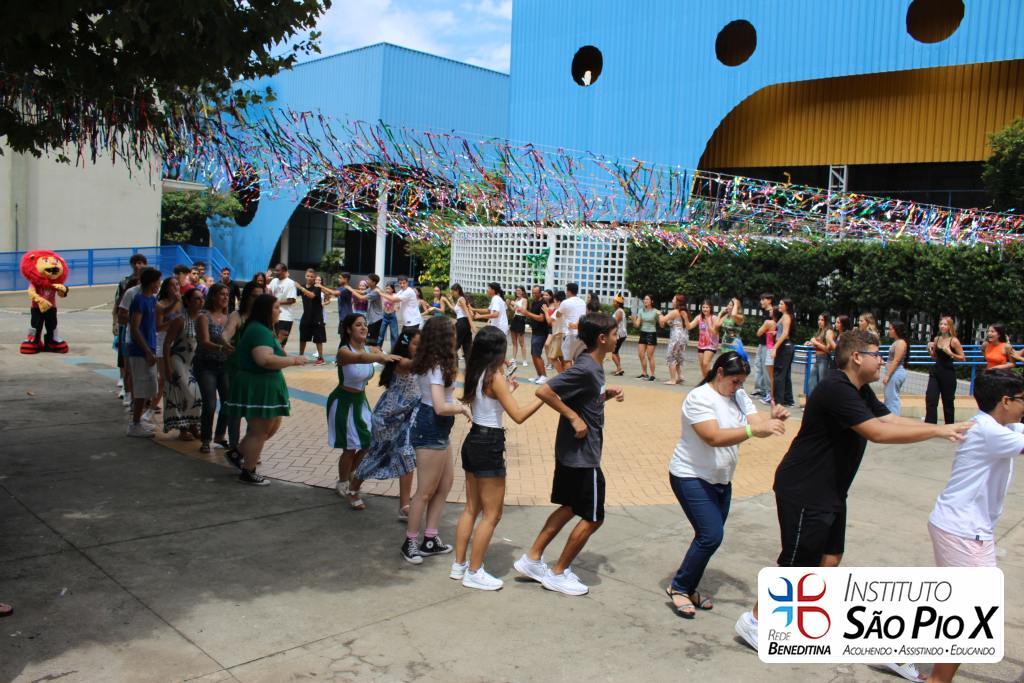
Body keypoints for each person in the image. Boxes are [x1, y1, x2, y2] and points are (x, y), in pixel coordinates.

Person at [734, 329, 971, 662]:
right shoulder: (836, 388)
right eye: (877, 354)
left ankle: (802, 616)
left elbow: (889, 419)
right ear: (857, 357)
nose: (882, 361)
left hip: (831, 488)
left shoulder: (859, 389)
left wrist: (942, 428)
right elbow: (877, 432)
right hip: (805, 486)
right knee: (797, 561)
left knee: (830, 557)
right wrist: (937, 430)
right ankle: (755, 622)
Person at [666, 352, 788, 617]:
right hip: (690, 475)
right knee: (711, 535)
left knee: (708, 538)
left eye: (742, 382)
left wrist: (772, 420)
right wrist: (753, 430)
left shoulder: (739, 396)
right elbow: (712, 437)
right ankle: (679, 587)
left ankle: (687, 586)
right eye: (735, 381)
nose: (738, 387)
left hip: (721, 479)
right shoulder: (699, 398)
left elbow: (758, 425)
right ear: (719, 372)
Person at [514, 312, 625, 596]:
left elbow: (583, 398)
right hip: (582, 456)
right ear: (602, 338)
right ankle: (558, 572)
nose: (618, 338)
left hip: (574, 453)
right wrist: (573, 417)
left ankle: (532, 559)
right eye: (615, 334)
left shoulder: (592, 365)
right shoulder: (586, 368)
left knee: (570, 507)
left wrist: (605, 395)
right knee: (594, 516)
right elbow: (544, 391)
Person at [923, 369, 1024, 683]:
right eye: (1022, 400)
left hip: (966, 528)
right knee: (970, 610)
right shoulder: (990, 432)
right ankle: (937, 679)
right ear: (1005, 401)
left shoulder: (998, 425)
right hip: (963, 530)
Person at [451, 326, 544, 590]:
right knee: (492, 514)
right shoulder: (495, 376)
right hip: (489, 444)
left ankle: (459, 565)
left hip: (474, 440)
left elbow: (489, 405)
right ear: (497, 351)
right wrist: (546, 398)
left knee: (471, 508)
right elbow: (519, 415)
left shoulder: (477, 372)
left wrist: (507, 391)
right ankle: (474, 571)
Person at [401, 317, 473, 564]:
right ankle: (410, 542)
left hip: (438, 428)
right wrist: (462, 408)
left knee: (444, 484)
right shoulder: (435, 366)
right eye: (452, 333)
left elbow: (444, 401)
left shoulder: (435, 362)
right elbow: (440, 406)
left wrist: (462, 403)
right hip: (430, 427)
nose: (456, 336)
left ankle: (430, 539)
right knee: (425, 491)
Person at [221, 294, 309, 485]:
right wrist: (294, 360)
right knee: (259, 431)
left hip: (267, 385)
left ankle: (237, 454)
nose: (279, 311)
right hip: (258, 385)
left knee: (270, 427)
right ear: (265, 311)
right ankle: (248, 471)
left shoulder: (264, 329)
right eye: (276, 307)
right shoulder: (258, 330)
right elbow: (265, 359)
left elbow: (274, 353)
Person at [328, 313, 401, 509]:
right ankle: (343, 482)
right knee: (350, 447)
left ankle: (352, 475)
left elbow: (384, 358)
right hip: (343, 402)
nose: (363, 328)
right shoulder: (344, 351)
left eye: (365, 325)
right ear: (348, 329)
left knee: (369, 442)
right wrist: (381, 356)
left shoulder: (370, 349)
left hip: (360, 401)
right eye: (358, 325)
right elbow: (360, 358)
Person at [355, 329, 422, 521]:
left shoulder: (418, 362)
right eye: (416, 344)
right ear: (405, 344)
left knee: (407, 455)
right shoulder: (400, 361)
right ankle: (353, 487)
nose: (419, 348)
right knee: (377, 455)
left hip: (407, 417)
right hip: (387, 418)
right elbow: (414, 365)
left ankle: (404, 506)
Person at [221, 281, 264, 463]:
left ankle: (248, 448)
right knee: (236, 411)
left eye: (260, 296)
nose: (256, 299)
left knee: (254, 413)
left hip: (256, 371)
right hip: (237, 370)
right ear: (246, 297)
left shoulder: (263, 318)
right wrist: (225, 341)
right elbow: (227, 332)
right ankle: (234, 447)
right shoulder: (237, 316)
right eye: (253, 296)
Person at [195, 283, 233, 453]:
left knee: (227, 402)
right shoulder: (204, 317)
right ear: (213, 296)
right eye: (221, 294)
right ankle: (205, 439)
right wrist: (222, 348)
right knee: (210, 404)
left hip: (224, 366)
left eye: (227, 294)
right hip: (206, 365)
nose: (225, 297)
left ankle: (219, 435)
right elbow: (204, 342)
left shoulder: (229, 318)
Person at [162, 286, 203, 441]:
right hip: (179, 361)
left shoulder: (202, 318)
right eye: (197, 299)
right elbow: (167, 343)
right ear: (188, 301)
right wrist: (167, 366)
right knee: (186, 394)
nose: (201, 301)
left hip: (194, 363)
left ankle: (193, 425)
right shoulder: (179, 320)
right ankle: (183, 428)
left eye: (202, 298)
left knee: (196, 395)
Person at [126, 268, 163, 437]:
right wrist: (147, 350)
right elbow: (135, 328)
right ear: (151, 282)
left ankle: (139, 420)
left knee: (148, 387)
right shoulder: (139, 300)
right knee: (141, 388)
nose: (159, 284)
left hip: (149, 348)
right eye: (158, 281)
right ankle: (134, 424)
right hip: (140, 351)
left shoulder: (152, 300)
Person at [114, 253, 148, 400]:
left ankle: (140, 394)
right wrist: (115, 323)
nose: (138, 265)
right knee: (125, 355)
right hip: (128, 326)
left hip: (145, 329)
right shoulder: (125, 283)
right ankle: (125, 384)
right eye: (136, 263)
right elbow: (118, 305)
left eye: (141, 263)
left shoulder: (151, 289)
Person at [926, 316, 966, 425]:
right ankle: (930, 425)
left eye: (945, 324)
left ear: (950, 327)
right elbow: (934, 356)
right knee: (931, 398)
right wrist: (930, 350)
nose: (942, 326)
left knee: (948, 401)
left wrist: (951, 353)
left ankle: (949, 425)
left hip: (948, 372)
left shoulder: (954, 341)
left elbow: (963, 358)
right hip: (936, 371)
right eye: (941, 324)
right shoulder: (937, 339)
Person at [296, 268, 327, 364]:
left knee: (318, 338)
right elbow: (294, 294)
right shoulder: (302, 286)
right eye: (308, 276)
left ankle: (320, 358)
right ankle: (301, 356)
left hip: (317, 317)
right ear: (305, 276)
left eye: (311, 276)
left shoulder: (317, 287)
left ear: (314, 278)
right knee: (303, 337)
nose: (309, 278)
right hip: (306, 316)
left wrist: (301, 288)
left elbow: (312, 295)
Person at [346, 274, 385, 350]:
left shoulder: (375, 291)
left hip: (376, 319)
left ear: (374, 282)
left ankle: (375, 355)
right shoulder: (371, 288)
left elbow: (361, 297)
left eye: (369, 280)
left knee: (372, 341)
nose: (367, 281)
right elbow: (362, 292)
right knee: (369, 339)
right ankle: (372, 354)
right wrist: (351, 289)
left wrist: (350, 289)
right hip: (372, 318)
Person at [522, 285, 551, 383]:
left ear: (540, 293)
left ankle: (544, 376)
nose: (533, 294)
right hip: (535, 332)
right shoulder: (534, 302)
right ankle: (539, 375)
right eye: (532, 292)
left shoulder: (543, 303)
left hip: (541, 333)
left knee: (537, 354)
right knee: (534, 354)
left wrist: (527, 313)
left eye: (535, 293)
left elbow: (541, 318)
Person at [660, 294, 690, 385]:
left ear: (678, 302)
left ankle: (673, 379)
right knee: (678, 357)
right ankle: (680, 376)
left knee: (671, 356)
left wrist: (659, 314)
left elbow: (663, 320)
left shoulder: (675, 312)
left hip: (676, 337)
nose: (672, 301)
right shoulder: (683, 312)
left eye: (673, 299)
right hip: (683, 337)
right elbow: (670, 323)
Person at [882, 319, 910, 415]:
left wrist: (887, 375)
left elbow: (896, 360)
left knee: (892, 398)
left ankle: (893, 418)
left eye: (890, 329)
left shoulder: (901, 343)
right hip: (893, 372)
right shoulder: (897, 342)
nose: (889, 331)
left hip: (895, 373)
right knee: (889, 397)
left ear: (897, 330)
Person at [267, 263, 298, 349]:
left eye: (278, 270)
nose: (275, 272)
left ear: (284, 271)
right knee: (271, 340)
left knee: (281, 343)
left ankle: (279, 355)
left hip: (285, 317)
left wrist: (276, 302)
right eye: (275, 270)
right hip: (273, 316)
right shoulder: (274, 281)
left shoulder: (290, 283)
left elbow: (291, 300)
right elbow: (269, 293)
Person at [772, 298, 796, 407]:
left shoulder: (786, 317)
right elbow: (783, 331)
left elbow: (785, 333)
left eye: (781, 304)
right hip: (785, 346)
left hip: (784, 347)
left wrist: (775, 347)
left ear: (786, 306)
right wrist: (775, 333)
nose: (779, 305)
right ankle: (788, 399)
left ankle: (779, 401)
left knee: (779, 374)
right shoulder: (784, 316)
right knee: (785, 374)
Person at [557, 282, 588, 366]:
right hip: (582, 333)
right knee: (578, 359)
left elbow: (558, 315)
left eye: (566, 291)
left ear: (569, 291)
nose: (566, 292)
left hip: (570, 333)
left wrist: (559, 308)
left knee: (567, 360)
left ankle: (570, 375)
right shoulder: (582, 302)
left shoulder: (565, 302)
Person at [806, 312, 836, 397]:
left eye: (822, 320)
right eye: (819, 319)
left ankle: (822, 402)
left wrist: (815, 342)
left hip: (824, 359)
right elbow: (819, 344)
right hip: (817, 358)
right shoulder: (820, 331)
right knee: (812, 382)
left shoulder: (829, 331)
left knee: (822, 383)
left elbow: (828, 349)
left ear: (826, 321)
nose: (819, 321)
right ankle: (812, 402)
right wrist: (811, 343)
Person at [689, 300, 719, 379]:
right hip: (701, 344)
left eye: (707, 307)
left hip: (711, 344)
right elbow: (690, 326)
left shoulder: (714, 318)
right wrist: (684, 319)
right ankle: (705, 380)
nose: (705, 309)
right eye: (703, 307)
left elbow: (715, 332)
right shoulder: (699, 317)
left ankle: (710, 379)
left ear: (710, 308)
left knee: (706, 363)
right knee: (702, 365)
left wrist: (708, 323)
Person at [752, 293, 774, 399]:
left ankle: (768, 391)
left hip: (768, 344)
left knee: (766, 368)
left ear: (769, 300)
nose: (761, 302)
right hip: (761, 343)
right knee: (758, 365)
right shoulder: (764, 311)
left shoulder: (772, 312)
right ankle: (759, 389)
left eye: (763, 299)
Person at [632, 294, 659, 381]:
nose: (645, 301)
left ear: (651, 301)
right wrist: (633, 319)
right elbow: (637, 325)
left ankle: (653, 375)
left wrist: (661, 315)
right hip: (643, 333)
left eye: (647, 299)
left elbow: (662, 324)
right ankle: (644, 373)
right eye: (644, 299)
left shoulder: (655, 311)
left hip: (651, 333)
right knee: (641, 354)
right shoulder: (641, 311)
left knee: (650, 356)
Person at [448, 283, 474, 364]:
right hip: (465, 324)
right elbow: (456, 310)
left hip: (462, 323)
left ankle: (453, 366)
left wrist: (472, 325)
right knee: (467, 347)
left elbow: (467, 312)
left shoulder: (461, 299)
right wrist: (450, 300)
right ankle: (469, 368)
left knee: (454, 346)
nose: (452, 293)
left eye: (453, 292)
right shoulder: (461, 299)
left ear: (457, 290)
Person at [719, 298, 747, 362]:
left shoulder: (740, 317)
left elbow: (734, 314)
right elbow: (717, 325)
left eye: (731, 305)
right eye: (728, 304)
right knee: (725, 364)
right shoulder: (727, 316)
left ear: (736, 307)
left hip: (734, 346)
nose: (728, 306)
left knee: (733, 365)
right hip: (725, 345)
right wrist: (720, 313)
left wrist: (736, 302)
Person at [545, 290, 567, 373]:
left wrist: (546, 311)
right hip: (565, 335)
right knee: (563, 358)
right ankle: (565, 375)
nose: (554, 303)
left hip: (558, 335)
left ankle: (562, 375)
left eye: (554, 301)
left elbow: (549, 321)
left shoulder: (558, 310)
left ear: (558, 301)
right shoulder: (565, 309)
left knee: (552, 357)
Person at [509, 286, 529, 366]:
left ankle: (524, 360)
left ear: (523, 292)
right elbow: (514, 310)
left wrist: (515, 304)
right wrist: (509, 304)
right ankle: (514, 358)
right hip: (515, 319)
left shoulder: (524, 300)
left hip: (521, 319)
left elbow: (523, 310)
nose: (517, 292)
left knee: (521, 342)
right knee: (514, 341)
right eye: (517, 290)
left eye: (519, 290)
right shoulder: (516, 299)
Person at [609, 294, 628, 377]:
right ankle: (618, 368)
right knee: (616, 352)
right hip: (621, 334)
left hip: (619, 334)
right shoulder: (619, 310)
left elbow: (615, 323)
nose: (613, 303)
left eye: (614, 301)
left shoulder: (619, 311)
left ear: (618, 303)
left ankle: (619, 368)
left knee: (613, 353)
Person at [380, 283, 400, 350]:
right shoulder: (383, 295)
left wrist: (396, 308)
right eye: (386, 288)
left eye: (389, 288)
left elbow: (398, 304)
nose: (387, 290)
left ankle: (394, 350)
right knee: (381, 334)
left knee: (394, 335)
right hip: (384, 316)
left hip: (392, 316)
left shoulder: (394, 295)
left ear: (392, 289)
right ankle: (378, 348)